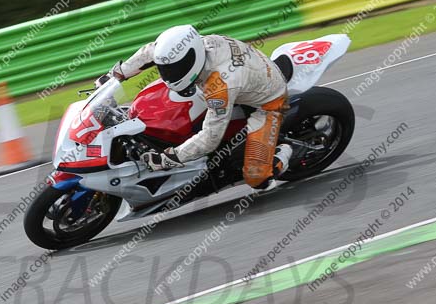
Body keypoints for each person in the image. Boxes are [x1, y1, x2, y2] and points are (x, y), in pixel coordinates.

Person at [99, 24, 292, 190]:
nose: (168, 74)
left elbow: (210, 139)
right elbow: (150, 52)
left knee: (257, 178)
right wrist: (116, 74)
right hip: (247, 71)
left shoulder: (220, 85)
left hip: (268, 102)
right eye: (165, 69)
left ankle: (283, 150)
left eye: (174, 69)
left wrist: (168, 159)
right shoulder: (186, 46)